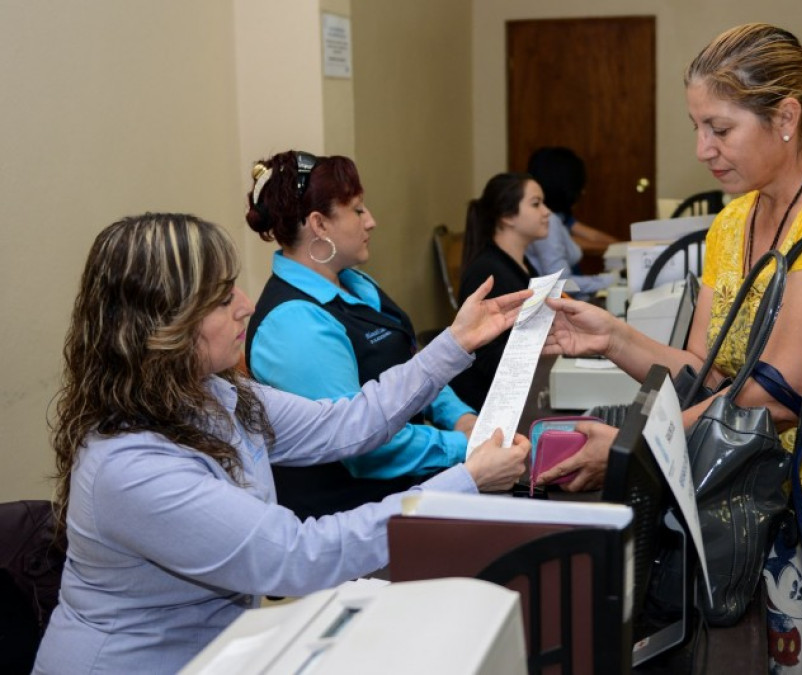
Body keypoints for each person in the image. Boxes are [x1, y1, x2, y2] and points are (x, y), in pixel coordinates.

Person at [537, 23, 802, 674]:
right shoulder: (736, 220)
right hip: (778, 510)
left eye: (719, 127)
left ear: (786, 117)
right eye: (696, 126)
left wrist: (635, 450)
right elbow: (719, 380)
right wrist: (615, 337)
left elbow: (780, 397)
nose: (702, 148)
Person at [34, 213, 531, 674]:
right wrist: (467, 480)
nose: (247, 305)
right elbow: (298, 556)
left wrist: (456, 342)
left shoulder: (214, 392)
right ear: (165, 325)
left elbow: (346, 424)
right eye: (222, 297)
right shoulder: (130, 467)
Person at [244, 150, 478, 516]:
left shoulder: (355, 283)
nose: (371, 221)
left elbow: (412, 366)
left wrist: (461, 418)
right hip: (350, 524)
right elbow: (360, 446)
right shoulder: (293, 323)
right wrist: (463, 447)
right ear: (319, 225)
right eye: (357, 210)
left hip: (410, 494)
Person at [449, 172, 550, 410]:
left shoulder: (520, 263)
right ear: (507, 216)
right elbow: (490, 359)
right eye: (536, 204)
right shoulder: (488, 274)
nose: (547, 212)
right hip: (495, 404)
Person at [524, 146, 619, 296]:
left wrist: (622, 246)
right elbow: (561, 282)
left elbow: (593, 236)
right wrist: (609, 281)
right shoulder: (548, 220)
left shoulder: (559, 218)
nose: (583, 192)